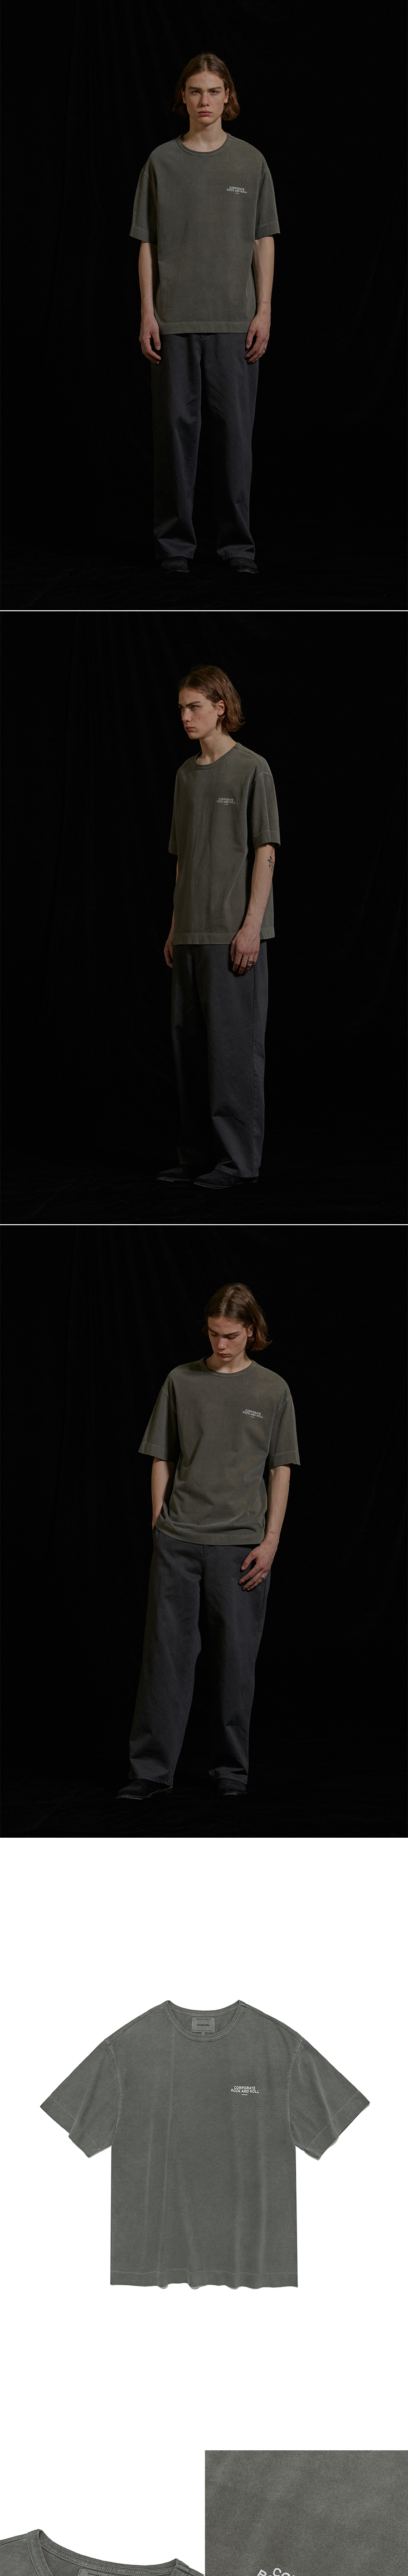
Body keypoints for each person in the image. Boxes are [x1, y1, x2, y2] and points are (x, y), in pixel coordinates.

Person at [118, 1281, 299, 1804]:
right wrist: (159, 1522)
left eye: (231, 1336)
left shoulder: (273, 1390)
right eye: (215, 1334)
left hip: (240, 1546)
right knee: (165, 1658)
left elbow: (281, 1469)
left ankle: (230, 1771)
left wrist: (271, 1541)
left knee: (236, 1661)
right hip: (179, 1540)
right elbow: (162, 1455)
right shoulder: (182, 1380)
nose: (221, 1345)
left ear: (252, 1331)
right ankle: (151, 1771)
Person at [130, 52, 279, 576]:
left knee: (236, 441)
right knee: (174, 440)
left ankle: (237, 550)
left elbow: (264, 239)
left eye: (214, 91)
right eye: (195, 91)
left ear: (228, 97)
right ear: (184, 98)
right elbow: (147, 243)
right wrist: (148, 313)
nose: (205, 101)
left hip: (236, 321)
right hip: (174, 321)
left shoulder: (251, 162)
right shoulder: (161, 162)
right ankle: (175, 550)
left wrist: (264, 310)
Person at [158, 662, 280, 1189]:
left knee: (233, 1053)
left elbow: (266, 852)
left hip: (232, 934)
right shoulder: (186, 775)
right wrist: (175, 925)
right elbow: (182, 858)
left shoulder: (253, 768)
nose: (186, 717)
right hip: (189, 933)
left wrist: (251, 926)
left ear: (220, 708)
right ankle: (195, 1156)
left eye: (195, 707)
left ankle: (237, 1163)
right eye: (182, 708)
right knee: (189, 1052)